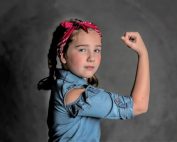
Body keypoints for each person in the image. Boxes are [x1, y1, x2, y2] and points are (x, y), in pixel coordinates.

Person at [38, 18, 150, 142]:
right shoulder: (75, 94)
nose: (92, 58)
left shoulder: (63, 85)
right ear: (63, 55)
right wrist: (143, 53)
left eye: (97, 50)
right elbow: (139, 105)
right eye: (82, 49)